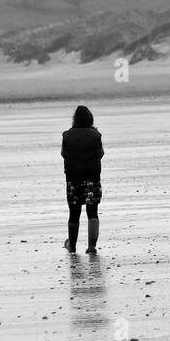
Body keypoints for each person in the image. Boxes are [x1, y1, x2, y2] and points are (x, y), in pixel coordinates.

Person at [62, 105, 104, 254]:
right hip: (92, 178)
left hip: (73, 179)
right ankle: (91, 246)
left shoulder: (66, 135)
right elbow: (101, 154)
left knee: (74, 214)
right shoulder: (95, 135)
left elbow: (64, 154)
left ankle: (72, 246)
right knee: (92, 213)